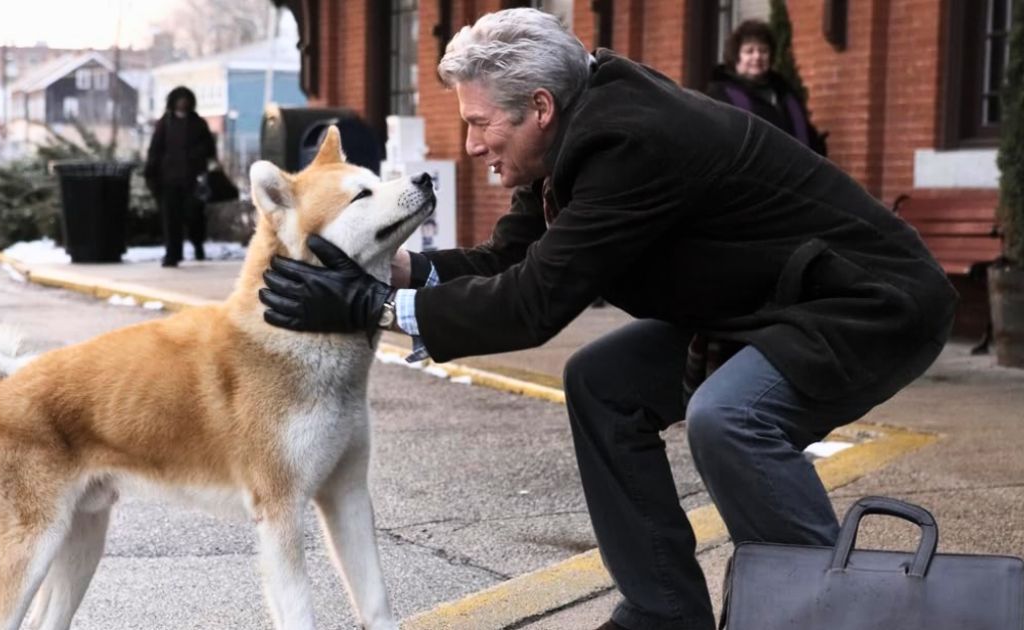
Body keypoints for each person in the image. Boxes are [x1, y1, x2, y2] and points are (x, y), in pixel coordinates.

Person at [259, 9, 956, 630]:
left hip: (867, 303)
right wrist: (394, 272)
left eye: (478, 123)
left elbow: (533, 304)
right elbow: (510, 260)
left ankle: (826, 612)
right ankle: (663, 611)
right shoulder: (570, 133)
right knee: (603, 381)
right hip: (765, 306)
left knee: (729, 417)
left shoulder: (629, 142)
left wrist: (370, 308)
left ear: (538, 107)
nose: (471, 144)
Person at [705, 19, 827, 156]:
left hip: (795, 173)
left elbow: (807, 135)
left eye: (763, 51)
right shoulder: (721, 95)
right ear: (736, 57)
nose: (757, 57)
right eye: (749, 51)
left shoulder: (785, 93)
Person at [144, 86, 217, 267]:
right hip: (169, 180)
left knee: (194, 216)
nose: (182, 102)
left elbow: (210, 149)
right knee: (171, 219)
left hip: (193, 180)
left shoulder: (198, 123)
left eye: (185, 99)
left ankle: (198, 244)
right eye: (179, 98)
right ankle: (172, 254)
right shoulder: (165, 124)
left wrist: (197, 158)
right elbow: (155, 150)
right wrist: (151, 172)